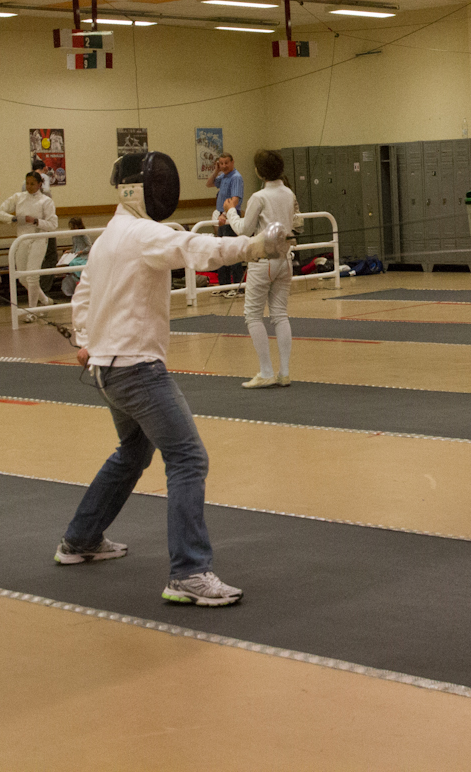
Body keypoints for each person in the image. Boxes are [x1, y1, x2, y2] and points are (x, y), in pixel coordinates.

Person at [57, 151, 291, 607]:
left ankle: (80, 539)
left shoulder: (108, 237)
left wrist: (86, 341)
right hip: (137, 370)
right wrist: (255, 246)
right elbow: (196, 248)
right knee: (188, 458)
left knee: (133, 453)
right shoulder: (143, 234)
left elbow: (82, 295)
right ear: (137, 190)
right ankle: (189, 572)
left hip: (107, 369)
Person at [226, 149, 301, 388]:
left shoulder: (259, 197)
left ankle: (266, 372)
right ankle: (284, 373)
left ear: (260, 171)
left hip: (263, 262)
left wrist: (230, 212)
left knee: (253, 315)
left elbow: (243, 230)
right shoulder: (288, 193)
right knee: (280, 315)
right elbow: (296, 224)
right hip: (285, 261)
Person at [0, 172, 58, 307]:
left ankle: (32, 311)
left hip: (38, 239)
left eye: (32, 184)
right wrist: (13, 218)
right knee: (22, 277)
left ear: (39, 184)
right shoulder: (18, 197)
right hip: (22, 240)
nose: (29, 186)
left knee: (32, 276)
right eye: (27, 183)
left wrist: (35, 221)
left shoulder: (46, 201)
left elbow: (53, 225)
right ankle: (46, 301)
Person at [208, 152, 246, 288]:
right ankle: (224, 285)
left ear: (232, 162)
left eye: (226, 163)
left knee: (232, 251)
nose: (224, 166)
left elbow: (235, 200)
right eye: (221, 163)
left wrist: (225, 214)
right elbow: (209, 183)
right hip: (221, 216)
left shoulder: (236, 177)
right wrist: (216, 171)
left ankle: (236, 286)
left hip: (230, 216)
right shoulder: (223, 176)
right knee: (221, 251)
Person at [58, 216, 91, 299]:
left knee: (74, 263)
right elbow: (75, 247)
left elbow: (89, 246)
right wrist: (69, 251)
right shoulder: (74, 236)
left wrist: (81, 251)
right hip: (76, 254)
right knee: (69, 262)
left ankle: (79, 279)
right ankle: (73, 281)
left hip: (83, 256)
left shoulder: (84, 234)